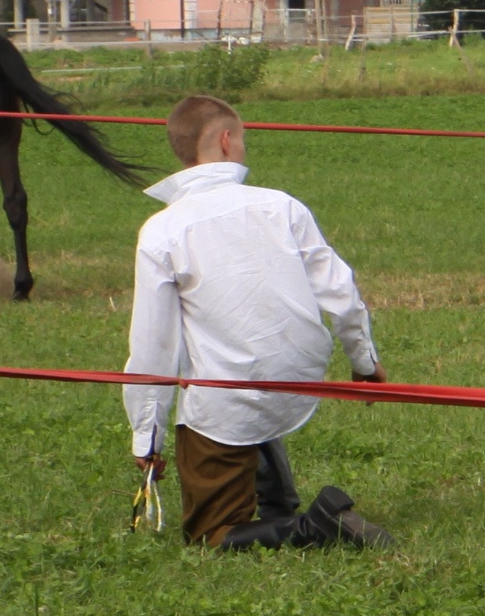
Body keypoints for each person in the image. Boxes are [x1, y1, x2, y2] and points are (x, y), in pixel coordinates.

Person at [123, 94, 395, 550]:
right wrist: (364, 364)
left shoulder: (162, 231)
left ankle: (317, 525)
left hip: (236, 391)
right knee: (240, 371)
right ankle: (278, 503)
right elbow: (341, 293)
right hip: (298, 376)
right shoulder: (282, 206)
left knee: (209, 536)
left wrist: (146, 436)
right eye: (244, 139)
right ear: (226, 141)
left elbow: (154, 344)